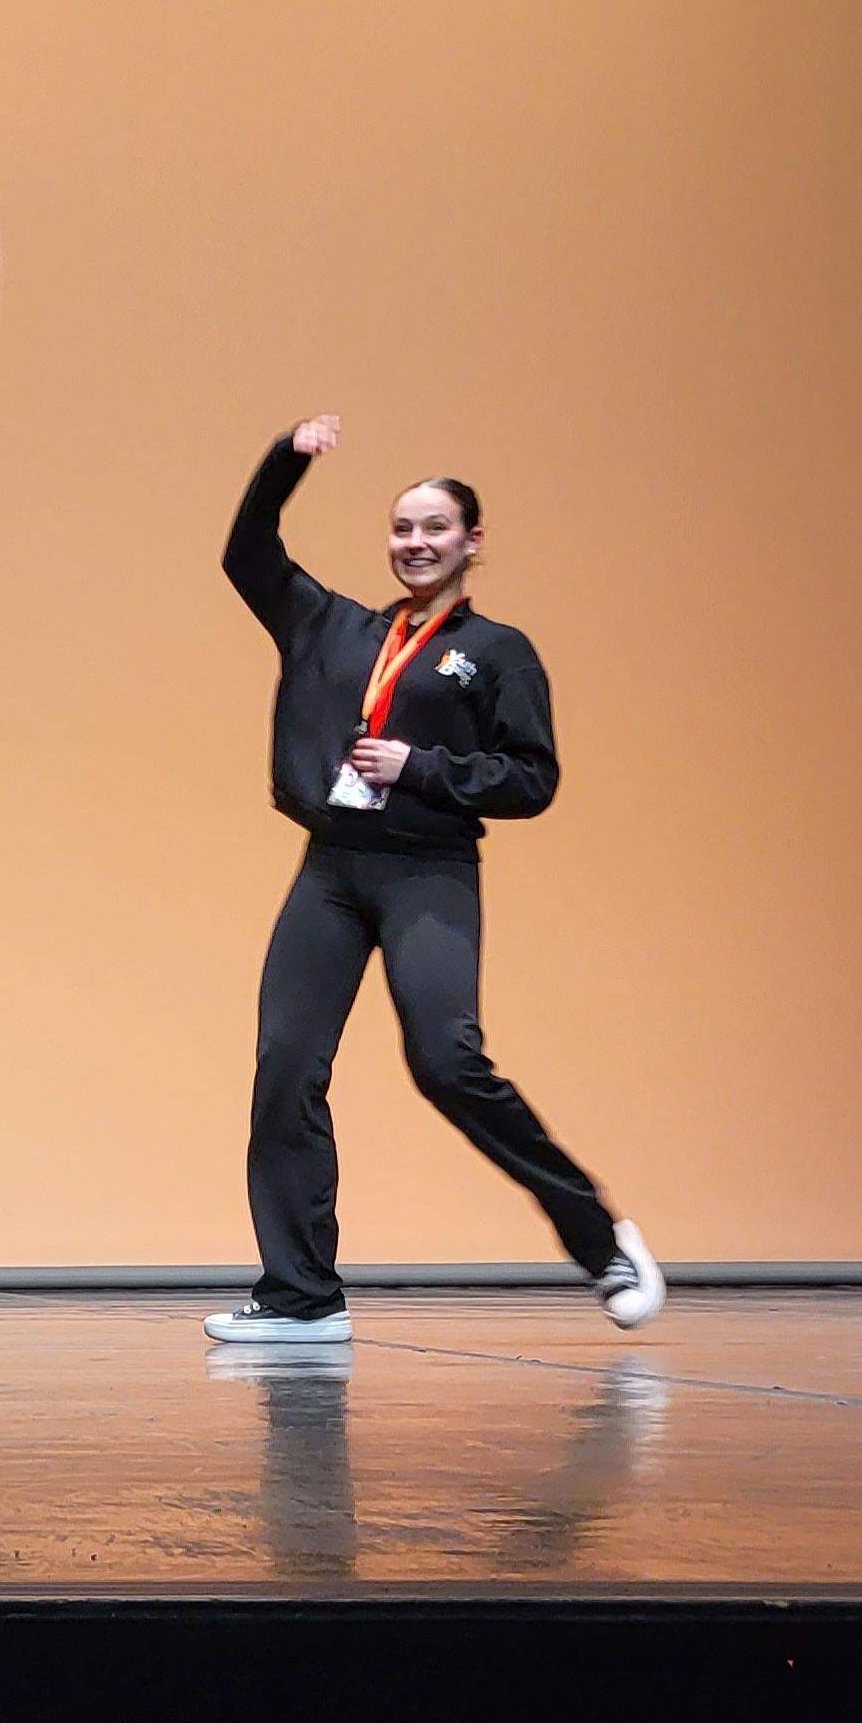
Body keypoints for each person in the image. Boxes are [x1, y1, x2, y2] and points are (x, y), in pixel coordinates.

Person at [199, 415, 664, 1344]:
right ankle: (301, 1296)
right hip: (332, 870)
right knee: (286, 1066)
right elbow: (247, 550)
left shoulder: (497, 653)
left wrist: (421, 768)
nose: (416, 544)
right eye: (403, 529)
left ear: (471, 543)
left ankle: (601, 1239)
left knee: (447, 1063)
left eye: (436, 529)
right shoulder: (330, 625)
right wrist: (287, 456)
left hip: (428, 871)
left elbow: (532, 779)